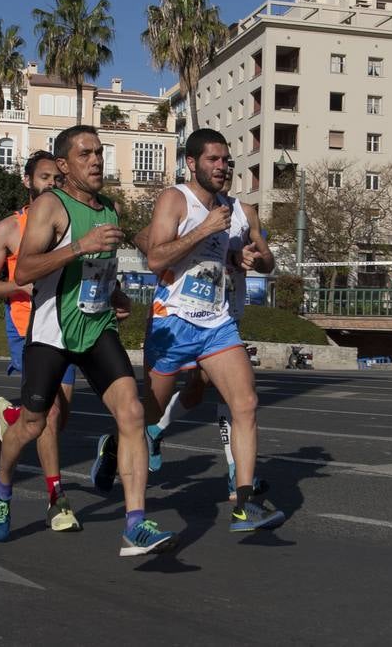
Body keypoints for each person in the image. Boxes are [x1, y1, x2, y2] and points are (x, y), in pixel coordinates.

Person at [0, 126, 177, 557]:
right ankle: (3, 484)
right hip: (52, 334)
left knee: (130, 412)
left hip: (97, 328)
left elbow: (101, 270)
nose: (96, 160)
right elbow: (25, 270)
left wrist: (117, 294)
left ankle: (135, 523)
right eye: (85, 153)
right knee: (33, 424)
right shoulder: (50, 206)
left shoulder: (109, 207)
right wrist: (79, 245)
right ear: (65, 165)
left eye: (99, 152)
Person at [122, 128, 281, 533]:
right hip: (172, 322)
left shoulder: (237, 210)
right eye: (213, 160)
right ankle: (116, 452)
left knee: (245, 403)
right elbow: (156, 257)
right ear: (192, 163)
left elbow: (266, 264)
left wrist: (249, 255)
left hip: (216, 321)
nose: (222, 167)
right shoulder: (176, 199)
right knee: (146, 415)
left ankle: (244, 503)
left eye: (226, 160)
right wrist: (205, 230)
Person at [0, 150, 81, 532]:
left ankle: (13, 415)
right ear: (28, 181)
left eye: (57, 178)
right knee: (49, 415)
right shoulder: (8, 229)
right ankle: (51, 498)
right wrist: (23, 282)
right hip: (28, 330)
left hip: (68, 326)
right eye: (44, 178)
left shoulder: (72, 224)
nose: (52, 184)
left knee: (57, 416)